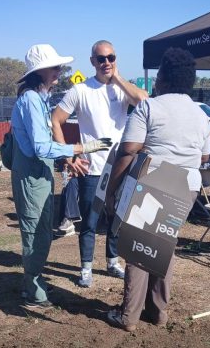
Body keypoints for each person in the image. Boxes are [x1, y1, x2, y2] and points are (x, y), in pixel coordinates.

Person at [104, 47, 210, 331]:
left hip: (155, 180)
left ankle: (128, 316)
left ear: (162, 77)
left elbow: (127, 151)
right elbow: (204, 157)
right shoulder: (200, 115)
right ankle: (158, 311)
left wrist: (111, 190)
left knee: (139, 246)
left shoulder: (150, 107)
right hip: (187, 186)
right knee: (165, 244)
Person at [11, 43, 112, 310]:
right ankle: (34, 293)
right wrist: (82, 147)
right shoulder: (32, 99)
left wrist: (68, 157)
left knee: (42, 232)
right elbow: (41, 147)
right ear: (41, 71)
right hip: (32, 175)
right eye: (55, 67)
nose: (59, 70)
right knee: (36, 234)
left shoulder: (38, 97)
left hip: (38, 173)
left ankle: (32, 285)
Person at [51, 40, 148, 288]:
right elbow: (56, 120)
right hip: (91, 168)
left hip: (121, 167)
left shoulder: (123, 89)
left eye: (111, 57)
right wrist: (68, 156)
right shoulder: (80, 90)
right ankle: (86, 268)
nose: (107, 62)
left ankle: (112, 261)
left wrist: (117, 79)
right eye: (101, 58)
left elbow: (144, 101)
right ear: (92, 61)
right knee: (90, 222)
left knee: (118, 218)